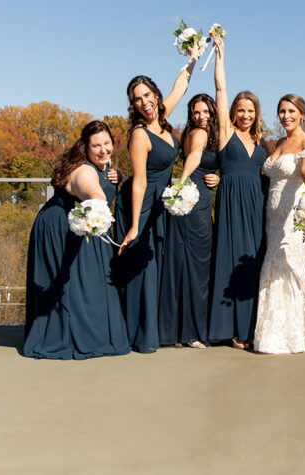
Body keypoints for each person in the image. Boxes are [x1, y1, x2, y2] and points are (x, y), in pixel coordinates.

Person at [113, 50, 198, 353]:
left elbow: (182, 86)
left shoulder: (163, 115)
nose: (144, 102)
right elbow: (138, 180)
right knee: (143, 270)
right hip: (141, 203)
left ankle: (159, 331)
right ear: (132, 105)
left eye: (147, 94)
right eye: (137, 99)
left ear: (155, 94)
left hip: (162, 202)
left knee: (158, 266)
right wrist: (135, 225)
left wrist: (193, 56)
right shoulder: (140, 134)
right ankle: (141, 335)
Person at [23, 120, 129, 359]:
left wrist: (118, 176)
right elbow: (93, 190)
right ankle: (67, 334)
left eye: (107, 143)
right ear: (85, 148)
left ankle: (95, 331)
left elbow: (105, 177)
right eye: (96, 146)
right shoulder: (85, 170)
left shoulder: (105, 164)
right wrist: (99, 203)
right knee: (71, 283)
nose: (103, 150)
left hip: (82, 227)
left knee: (92, 278)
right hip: (58, 228)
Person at [206, 37, 268, 349]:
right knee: (230, 259)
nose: (245, 115)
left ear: (257, 114)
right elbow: (220, 91)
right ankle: (230, 328)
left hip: (256, 207)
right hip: (231, 204)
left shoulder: (262, 144)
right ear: (233, 112)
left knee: (253, 262)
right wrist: (221, 56)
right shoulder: (226, 134)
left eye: (250, 111)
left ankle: (252, 326)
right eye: (240, 110)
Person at [255, 94, 305, 354]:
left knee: (290, 266)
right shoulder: (279, 141)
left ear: (302, 114)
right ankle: (271, 333)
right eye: (282, 111)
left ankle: (293, 335)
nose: (286, 116)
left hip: (291, 217)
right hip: (271, 218)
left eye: (291, 111)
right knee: (272, 266)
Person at [159, 94, 220, 348]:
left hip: (192, 200)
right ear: (191, 114)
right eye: (196, 112)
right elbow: (195, 155)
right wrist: (183, 181)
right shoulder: (199, 134)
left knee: (183, 264)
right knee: (198, 266)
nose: (201, 117)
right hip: (192, 201)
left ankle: (176, 330)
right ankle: (193, 332)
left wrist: (218, 178)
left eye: (206, 112)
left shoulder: (192, 132)